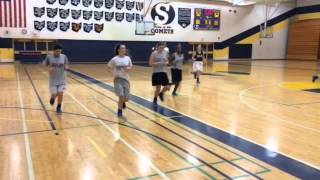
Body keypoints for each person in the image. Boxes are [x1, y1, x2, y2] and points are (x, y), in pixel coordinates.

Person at [108, 44, 133, 117]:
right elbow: (108, 67)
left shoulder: (127, 58)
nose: (124, 49)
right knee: (121, 96)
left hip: (126, 79)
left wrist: (129, 68)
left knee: (126, 98)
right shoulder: (114, 59)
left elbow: (131, 66)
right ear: (118, 50)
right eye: (122, 48)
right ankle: (119, 110)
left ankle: (123, 102)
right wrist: (113, 74)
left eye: (124, 48)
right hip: (118, 80)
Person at [43, 44, 69, 113]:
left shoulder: (64, 56)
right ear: (53, 51)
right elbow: (45, 64)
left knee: (60, 93)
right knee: (54, 93)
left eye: (60, 51)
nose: (58, 53)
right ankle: (52, 98)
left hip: (62, 79)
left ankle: (59, 107)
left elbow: (66, 64)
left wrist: (66, 67)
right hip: (53, 80)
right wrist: (49, 68)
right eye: (57, 51)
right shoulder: (49, 57)